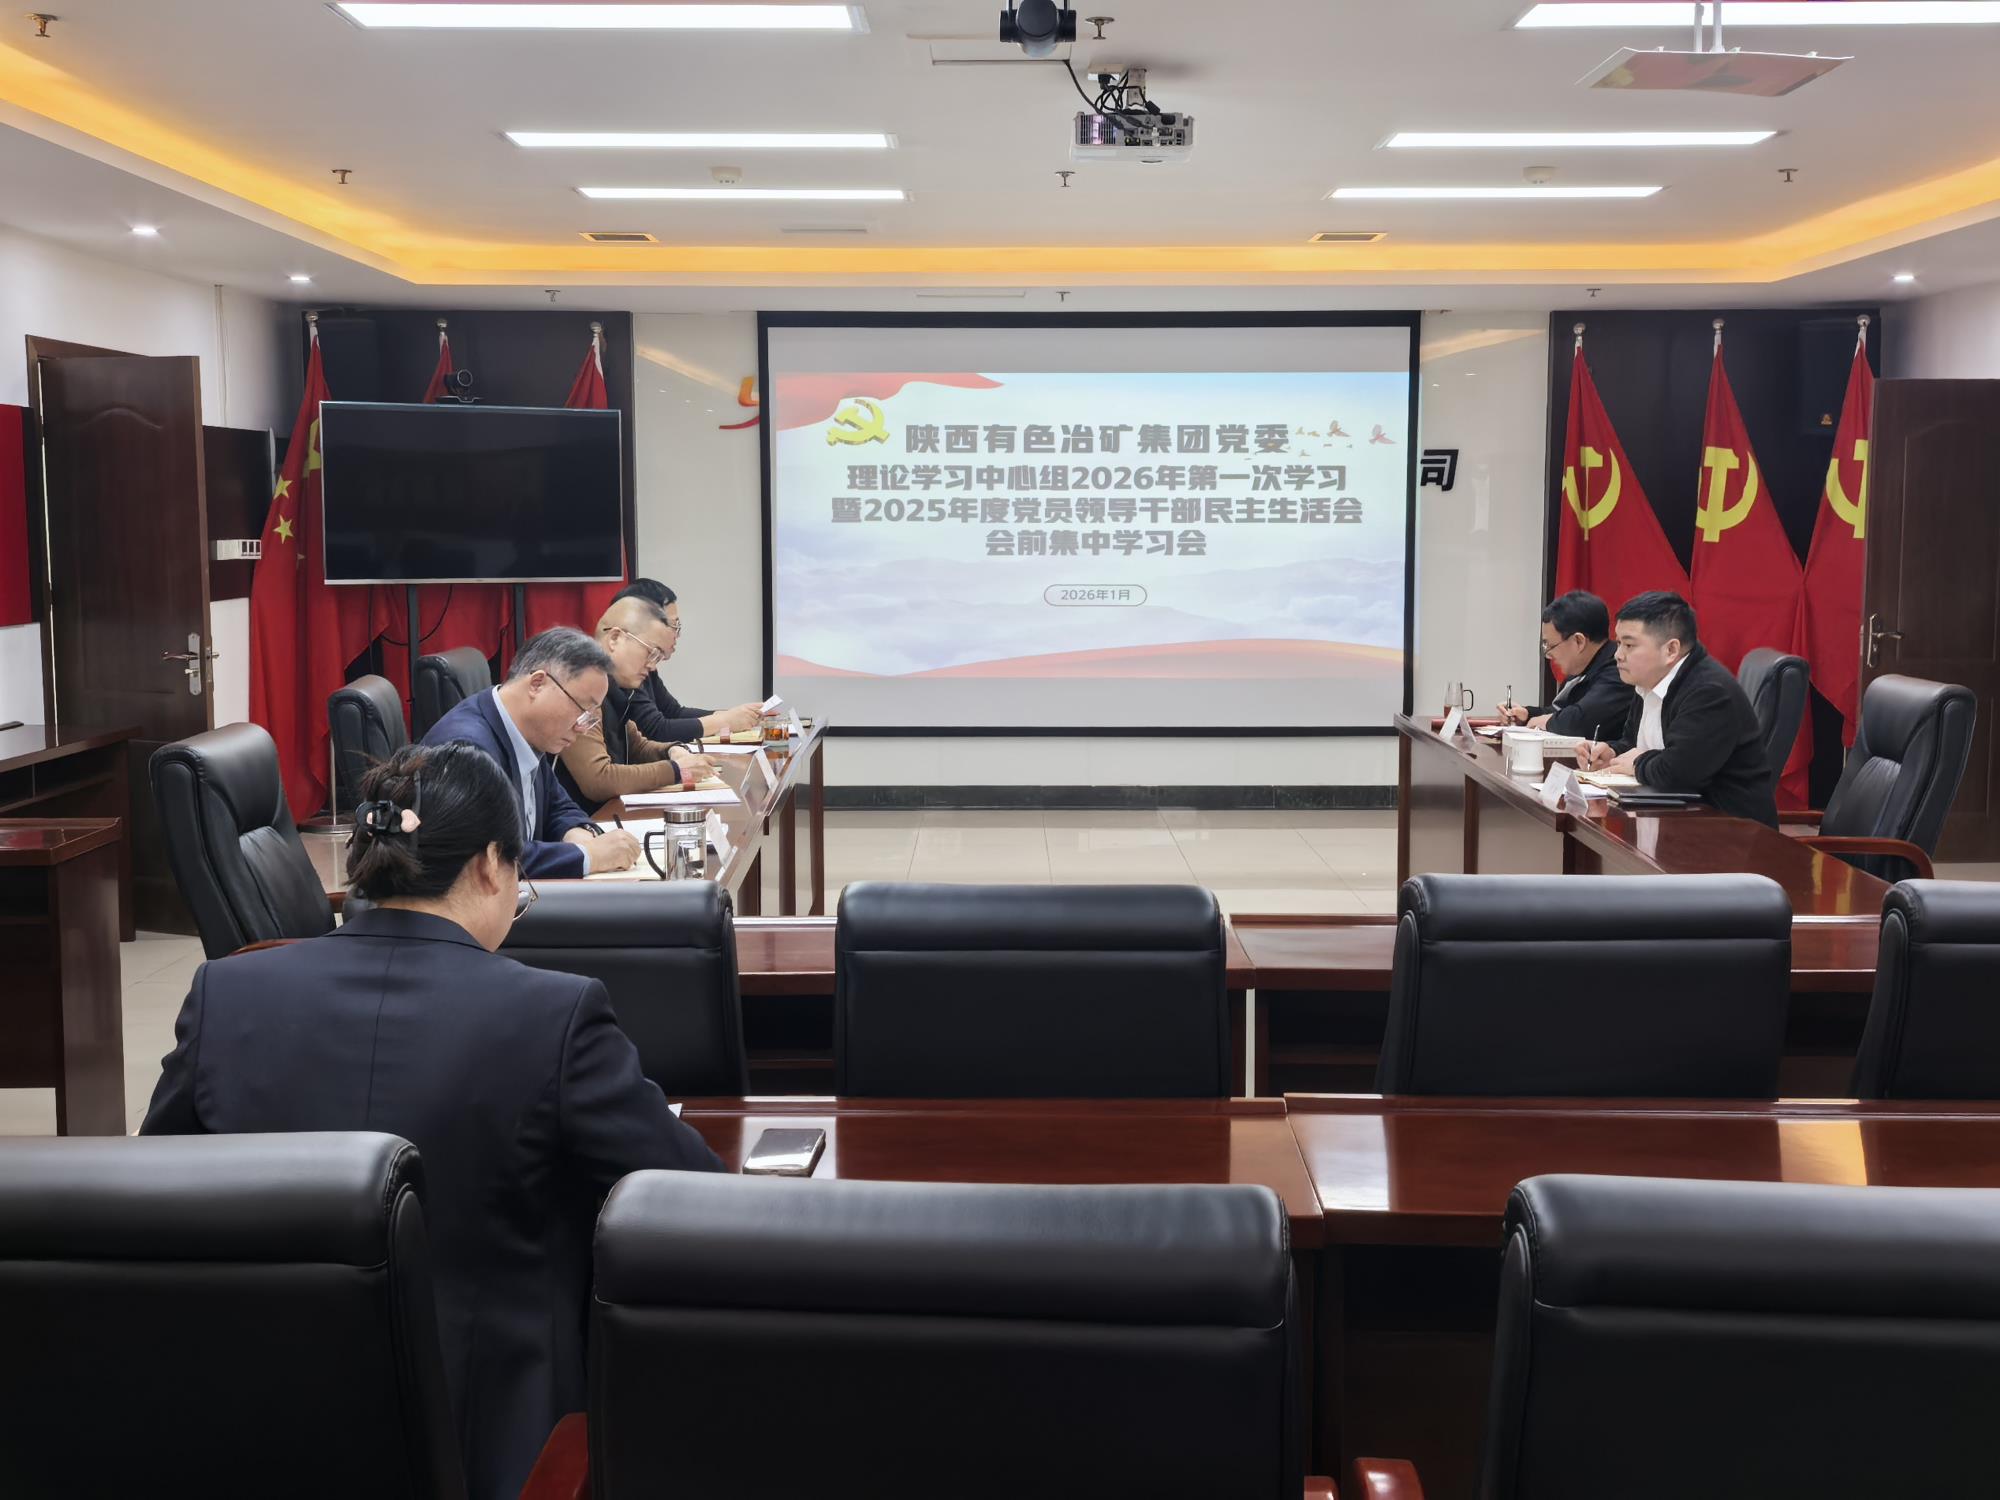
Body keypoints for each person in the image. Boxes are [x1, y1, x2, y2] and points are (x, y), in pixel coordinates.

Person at [141, 742, 725, 1500]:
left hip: (261, 1426)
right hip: (501, 1442)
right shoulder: (554, 1014)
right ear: (489, 866)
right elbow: (689, 1196)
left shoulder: (226, 993)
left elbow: (150, 1201)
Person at [421, 626, 639, 876]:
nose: (582, 727)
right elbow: (488, 861)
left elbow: (558, 806)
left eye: (590, 717)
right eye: (582, 709)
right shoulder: (468, 751)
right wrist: (588, 856)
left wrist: (579, 833)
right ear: (537, 683)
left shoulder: (526, 731)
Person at [1579, 590, 1778, 826]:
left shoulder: (1709, 692)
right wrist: (1612, 753)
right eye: (1619, 643)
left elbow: (1677, 772)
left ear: (1671, 650)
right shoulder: (1648, 681)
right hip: (1673, 819)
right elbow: (1636, 744)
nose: (1618, 655)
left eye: (1629, 645)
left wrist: (1636, 762)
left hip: (1727, 830)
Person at [556, 595, 719, 806]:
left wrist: (672, 751)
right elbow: (598, 779)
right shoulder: (579, 684)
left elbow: (637, 747)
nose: (652, 666)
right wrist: (676, 770)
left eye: (658, 657)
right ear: (615, 638)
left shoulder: (618, 688)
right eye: (651, 653)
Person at [612, 578, 763, 743]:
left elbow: (673, 712)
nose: (677, 635)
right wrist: (725, 721)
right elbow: (657, 730)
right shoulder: (624, 669)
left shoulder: (645, 666)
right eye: (674, 625)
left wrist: (733, 715)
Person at [1497, 590, 1633, 737]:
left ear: (1579, 641)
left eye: (1550, 646)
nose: (1548, 654)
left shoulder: (1619, 670)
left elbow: (1581, 721)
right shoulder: (1582, 669)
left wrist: (1546, 722)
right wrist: (1527, 714)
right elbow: (1562, 712)